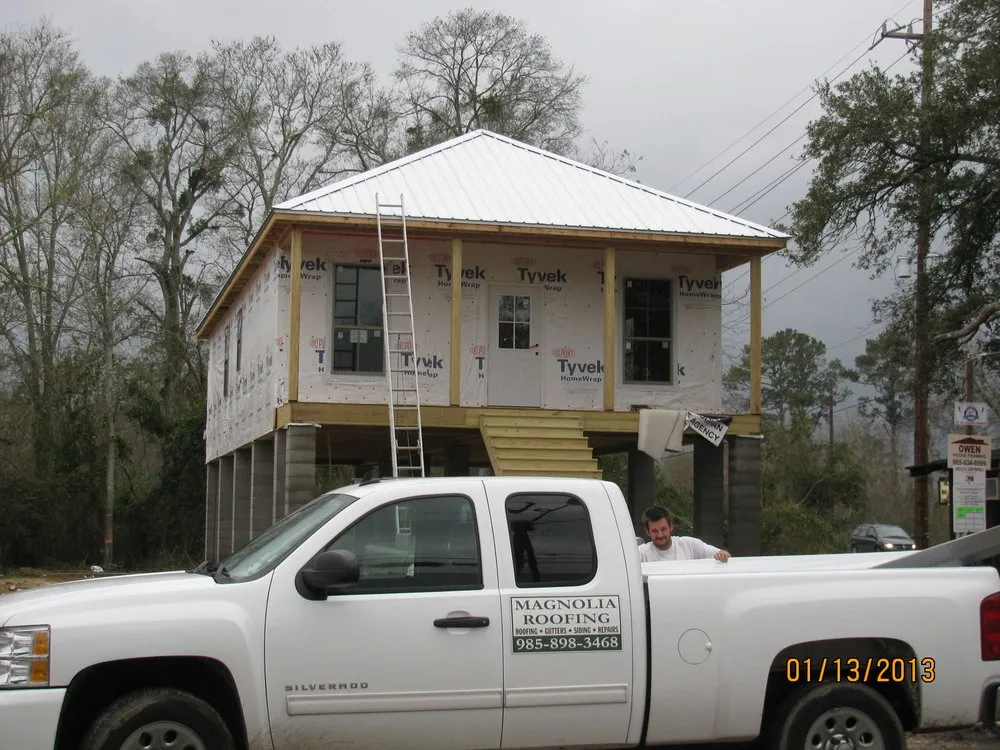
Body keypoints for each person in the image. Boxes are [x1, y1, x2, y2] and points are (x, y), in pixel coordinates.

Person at [637, 506, 731, 562]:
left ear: (671, 527)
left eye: (663, 529)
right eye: (654, 531)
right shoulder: (641, 553)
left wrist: (723, 555)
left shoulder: (689, 544)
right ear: (647, 531)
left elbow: (725, 555)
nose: (660, 535)